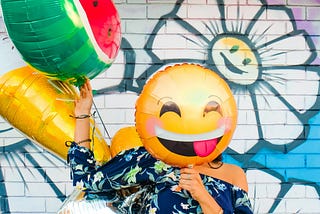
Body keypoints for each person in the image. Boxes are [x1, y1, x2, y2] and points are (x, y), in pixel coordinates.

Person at [67, 79, 253, 213]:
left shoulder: (233, 175)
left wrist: (203, 196)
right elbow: (86, 181)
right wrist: (83, 114)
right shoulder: (152, 161)